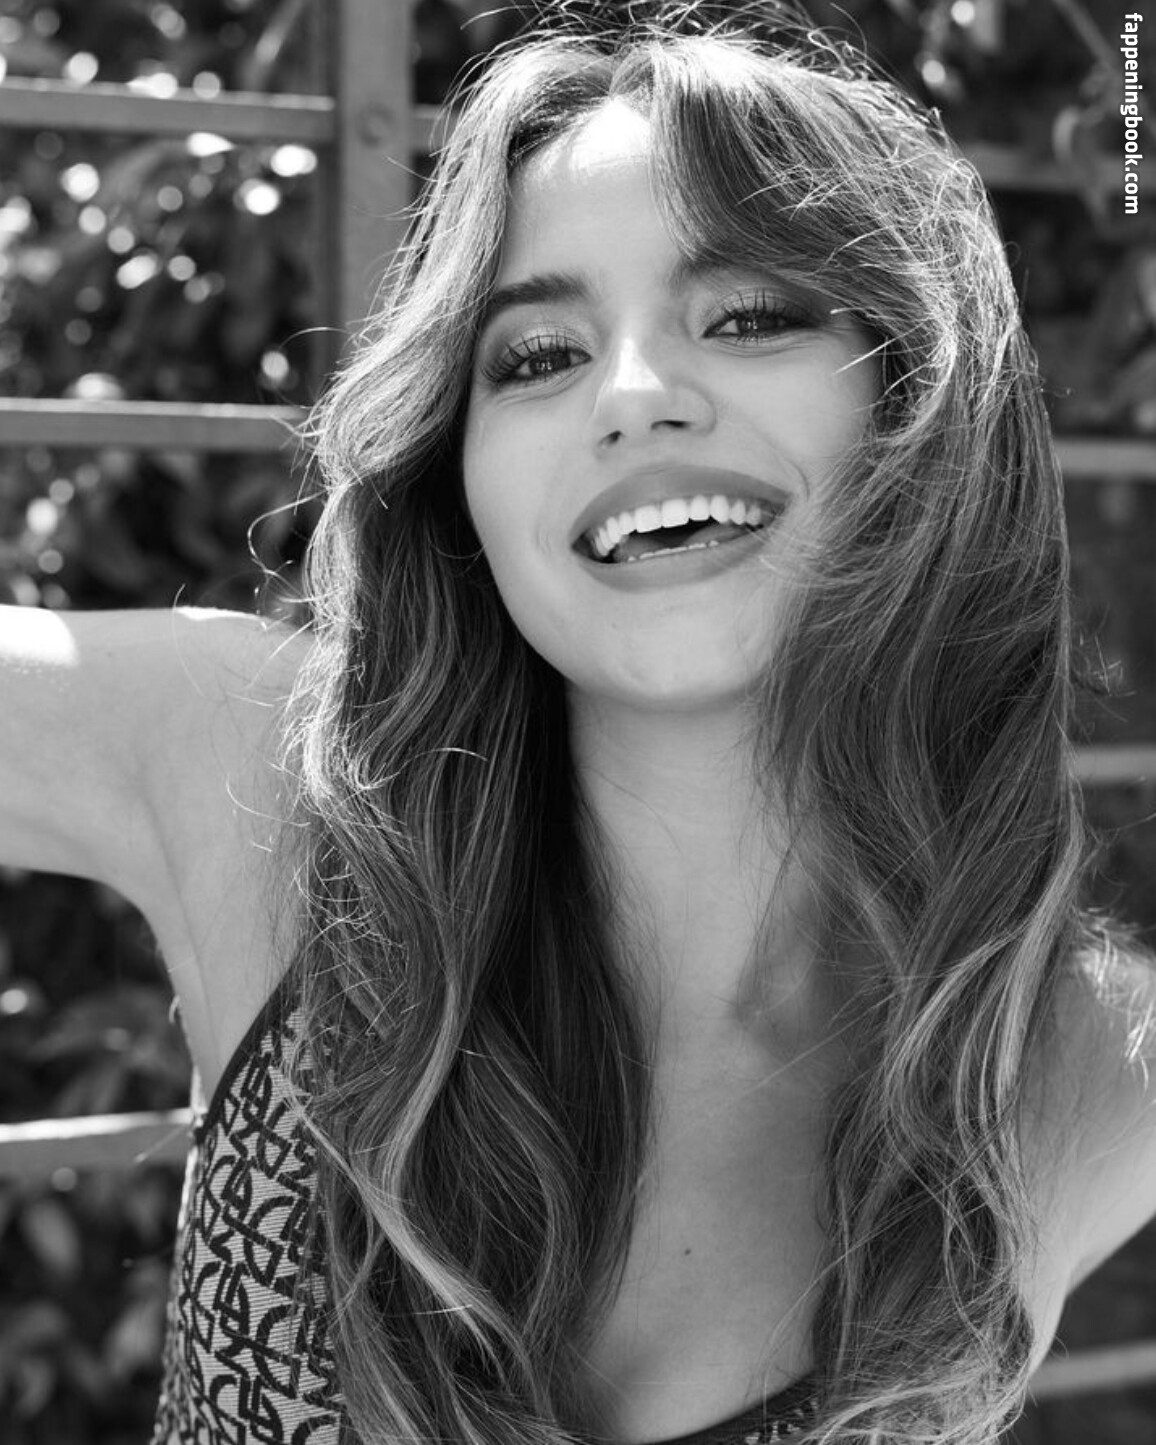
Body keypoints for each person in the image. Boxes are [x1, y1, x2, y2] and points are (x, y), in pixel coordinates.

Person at [2, 5, 1155, 1443]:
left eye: (750, 316)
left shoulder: (1078, 1064)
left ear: (920, 403)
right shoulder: (265, 782)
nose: (634, 397)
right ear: (461, 483)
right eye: (537, 355)